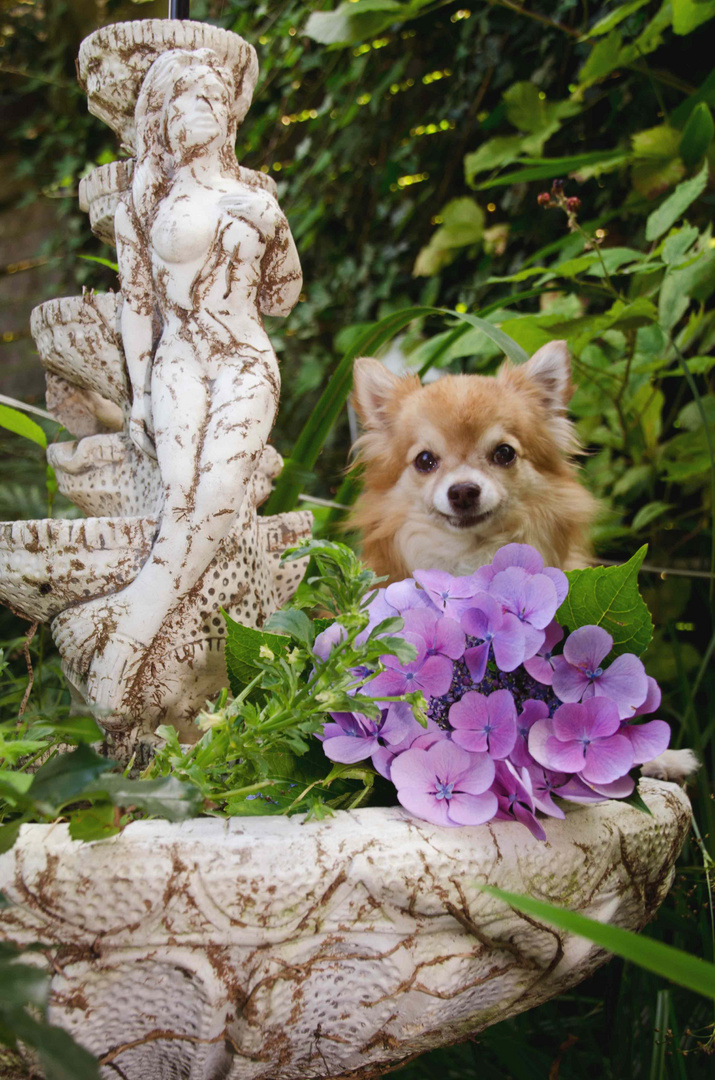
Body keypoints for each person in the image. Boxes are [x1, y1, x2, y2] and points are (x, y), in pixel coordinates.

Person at [53, 46, 302, 714]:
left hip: (245, 359)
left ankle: (119, 641)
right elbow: (137, 303)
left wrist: (277, 233)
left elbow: (282, 297)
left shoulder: (255, 196)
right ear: (160, 120)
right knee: (182, 507)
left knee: (218, 498)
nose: (198, 113)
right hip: (178, 362)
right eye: (183, 102)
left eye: (211, 99)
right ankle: (129, 650)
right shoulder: (146, 195)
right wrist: (137, 395)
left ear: (227, 114)